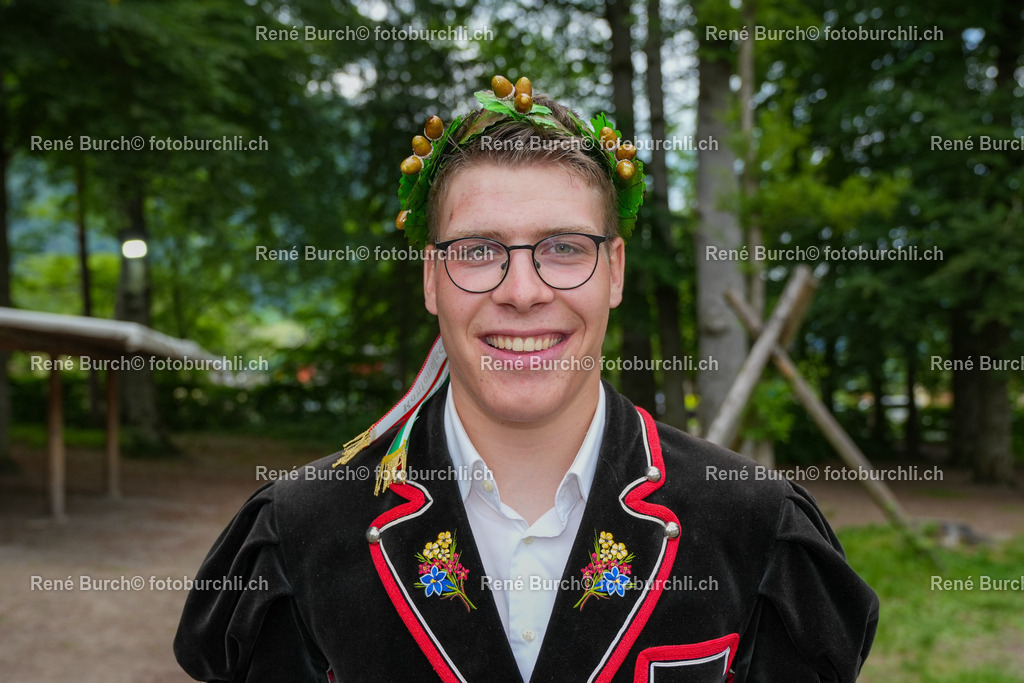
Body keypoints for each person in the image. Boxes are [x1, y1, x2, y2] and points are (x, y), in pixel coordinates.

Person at [174, 75, 878, 682]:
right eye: (479, 250)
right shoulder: (302, 531)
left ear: (615, 271)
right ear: (432, 278)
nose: (521, 291)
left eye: (563, 248)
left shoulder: (751, 524)